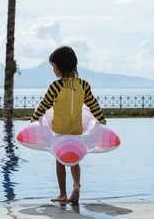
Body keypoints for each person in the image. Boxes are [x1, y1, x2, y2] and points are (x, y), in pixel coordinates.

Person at [31, 46, 107, 204]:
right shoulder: (84, 85)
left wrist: (34, 120)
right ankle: (77, 186)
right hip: (76, 130)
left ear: (60, 67)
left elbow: (44, 105)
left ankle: (63, 194)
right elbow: (93, 105)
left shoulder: (56, 86)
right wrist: (102, 121)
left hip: (59, 131)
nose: (53, 70)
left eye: (54, 67)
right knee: (74, 159)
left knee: (60, 160)